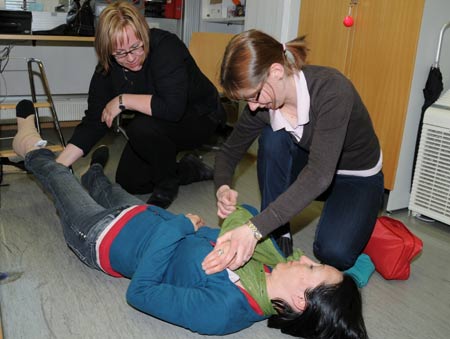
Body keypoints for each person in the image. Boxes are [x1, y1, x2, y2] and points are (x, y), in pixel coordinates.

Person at [12, 100, 367, 338]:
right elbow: (246, 217)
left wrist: (180, 226)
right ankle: (95, 176)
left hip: (102, 238)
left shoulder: (224, 312)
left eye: (311, 269)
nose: (304, 257)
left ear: (301, 301)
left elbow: (141, 292)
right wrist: (236, 228)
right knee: (104, 185)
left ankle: (26, 140)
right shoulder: (271, 264)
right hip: (143, 215)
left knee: (59, 176)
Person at [202, 29, 384, 275]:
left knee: (334, 253)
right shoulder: (264, 104)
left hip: (355, 176)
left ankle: (361, 214)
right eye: (247, 100)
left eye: (254, 96)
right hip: (313, 165)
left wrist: (254, 228)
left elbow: (319, 175)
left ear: (276, 72)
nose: (253, 106)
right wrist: (223, 187)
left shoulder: (332, 90)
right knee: (273, 136)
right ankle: (278, 229)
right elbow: (229, 152)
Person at [56, 1, 226, 208]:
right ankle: (190, 169)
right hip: (158, 122)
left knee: (140, 127)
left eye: (136, 47)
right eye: (120, 53)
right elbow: (95, 120)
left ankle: (167, 186)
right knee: (130, 182)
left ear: (144, 33)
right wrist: (59, 166)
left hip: (201, 117)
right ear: (107, 51)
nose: (131, 58)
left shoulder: (166, 47)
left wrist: (123, 100)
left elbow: (172, 108)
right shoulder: (107, 67)